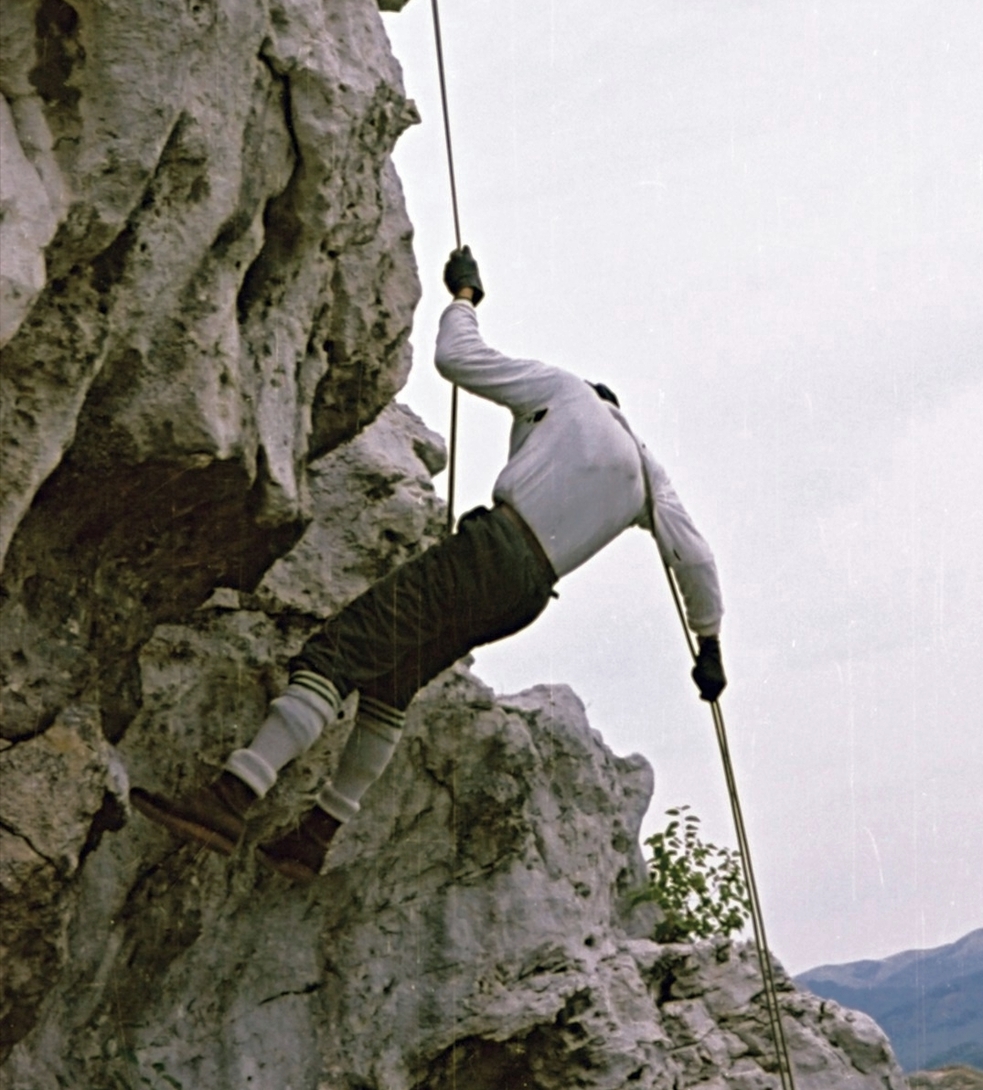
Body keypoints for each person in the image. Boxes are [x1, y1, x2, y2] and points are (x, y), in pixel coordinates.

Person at [131, 248, 726, 881]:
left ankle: (233, 797)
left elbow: (458, 360)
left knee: (337, 653)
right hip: (526, 596)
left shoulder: (564, 392)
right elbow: (693, 555)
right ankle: (316, 835)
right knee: (391, 687)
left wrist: (464, 297)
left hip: (493, 548)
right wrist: (709, 642)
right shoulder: (645, 473)